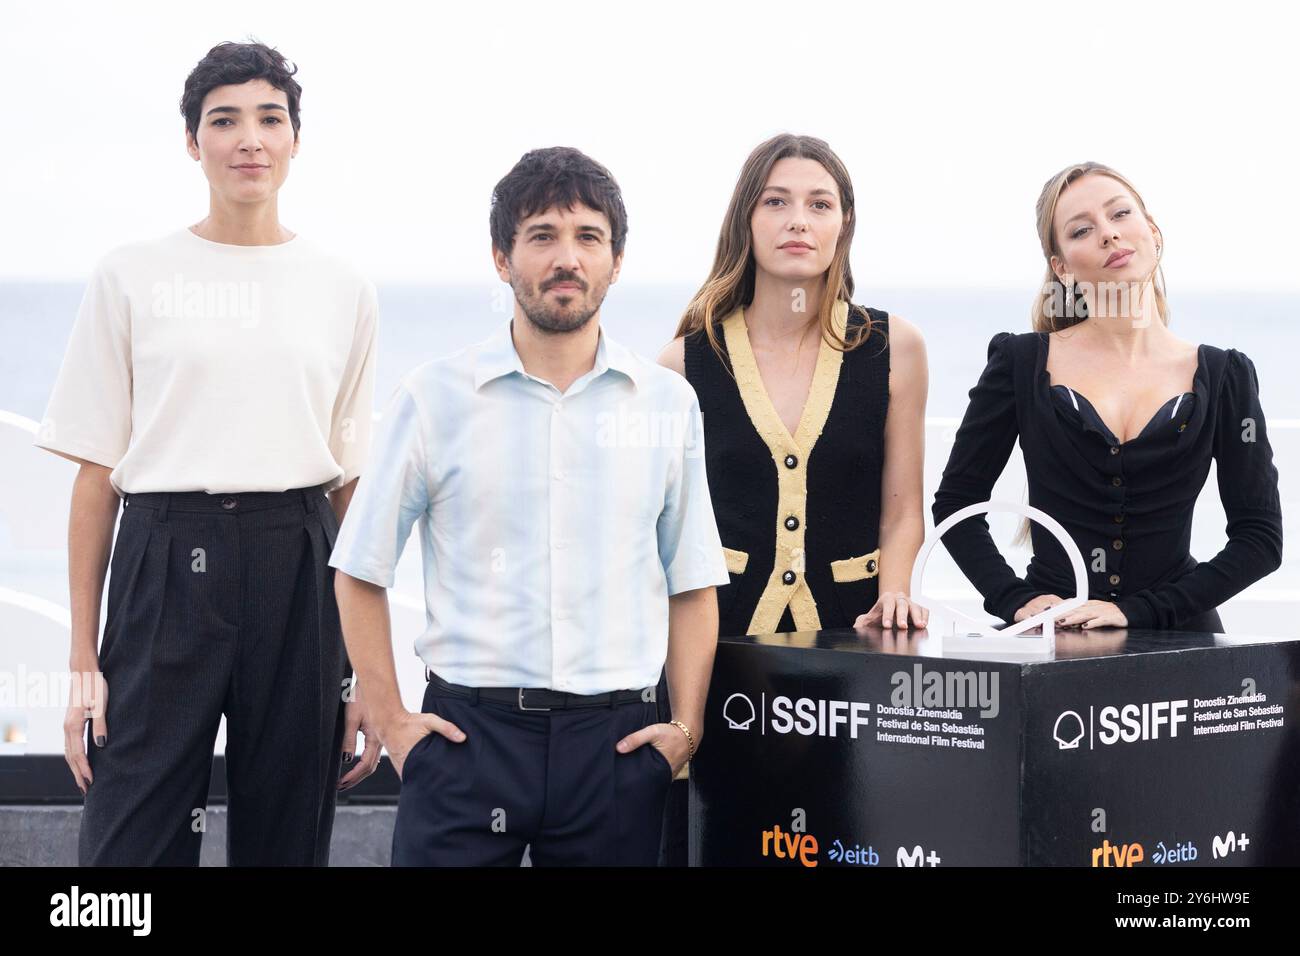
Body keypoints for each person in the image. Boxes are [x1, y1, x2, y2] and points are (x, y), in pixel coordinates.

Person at [330, 147, 729, 866]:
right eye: (541, 235)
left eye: (588, 237)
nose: (566, 258)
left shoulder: (668, 404)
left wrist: (687, 731)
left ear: (617, 259)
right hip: (464, 744)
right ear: (501, 257)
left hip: (617, 750)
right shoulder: (434, 398)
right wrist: (392, 722)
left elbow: (692, 580)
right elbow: (360, 570)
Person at [34, 41, 381, 866]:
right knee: (130, 841)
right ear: (193, 142)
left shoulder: (341, 286)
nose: (249, 139)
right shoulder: (131, 274)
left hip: (300, 567)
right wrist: (82, 659)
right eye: (224, 120)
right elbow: (96, 479)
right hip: (162, 564)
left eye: (270, 119)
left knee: (287, 836)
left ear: (297, 139)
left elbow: (353, 492)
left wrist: (371, 668)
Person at [655, 132, 930, 865]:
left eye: (819, 204)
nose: (797, 221)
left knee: (850, 841)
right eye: (776, 202)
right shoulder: (685, 360)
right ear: (746, 219)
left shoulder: (892, 345)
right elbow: (664, 528)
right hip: (719, 654)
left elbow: (903, 508)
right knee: (725, 843)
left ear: (845, 223)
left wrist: (895, 593)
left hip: (852, 649)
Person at [933, 161, 1283, 632]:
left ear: (1153, 233)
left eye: (1120, 215)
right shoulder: (1020, 362)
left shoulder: (1224, 375)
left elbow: (1260, 538)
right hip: (1051, 636)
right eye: (1081, 230)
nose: (1108, 235)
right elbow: (958, 503)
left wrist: (1136, 612)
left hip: (1181, 642)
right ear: (1061, 267)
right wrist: (1015, 598)